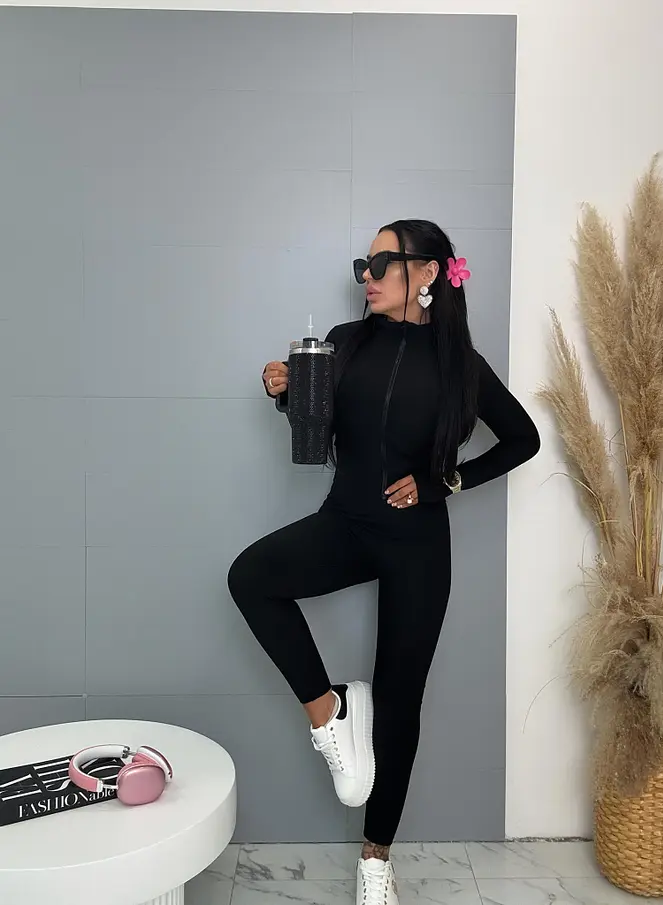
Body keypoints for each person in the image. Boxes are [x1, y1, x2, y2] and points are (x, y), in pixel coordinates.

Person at [228, 219, 540, 905]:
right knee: (251, 577)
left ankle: (376, 860)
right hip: (346, 524)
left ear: (426, 273)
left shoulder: (460, 364)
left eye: (380, 264)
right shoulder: (345, 342)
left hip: (417, 544)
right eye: (362, 266)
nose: (365, 278)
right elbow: (317, 430)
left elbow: (524, 439)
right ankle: (330, 709)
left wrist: (445, 481)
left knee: (402, 700)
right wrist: (286, 392)